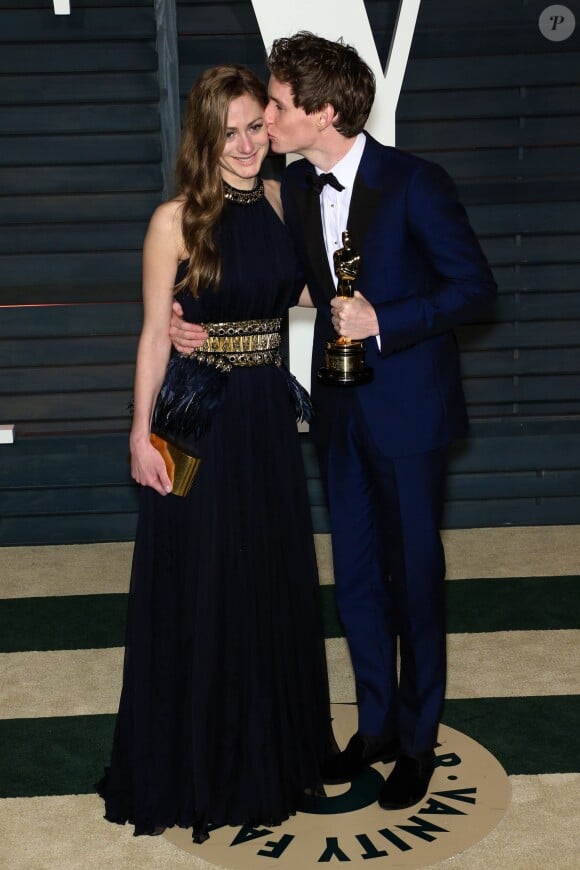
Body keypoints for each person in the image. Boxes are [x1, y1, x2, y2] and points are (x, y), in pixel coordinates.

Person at [170, 33, 497, 812]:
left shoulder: (416, 182)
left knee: (412, 578)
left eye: (277, 107)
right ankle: (377, 724)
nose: (266, 120)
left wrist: (389, 317)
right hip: (337, 412)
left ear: (321, 111)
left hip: (411, 414)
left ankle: (418, 742)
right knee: (352, 580)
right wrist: (196, 327)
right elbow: (287, 284)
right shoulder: (298, 186)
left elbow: (475, 290)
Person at [98, 63, 332, 844]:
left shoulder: (279, 199)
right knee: (199, 579)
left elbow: (303, 288)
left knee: (266, 577)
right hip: (195, 418)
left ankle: (270, 751)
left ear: (271, 125)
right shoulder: (174, 220)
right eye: (227, 132)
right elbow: (154, 336)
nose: (244, 144)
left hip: (265, 413)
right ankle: (200, 763)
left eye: (255, 127)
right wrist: (139, 434)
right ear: (204, 136)